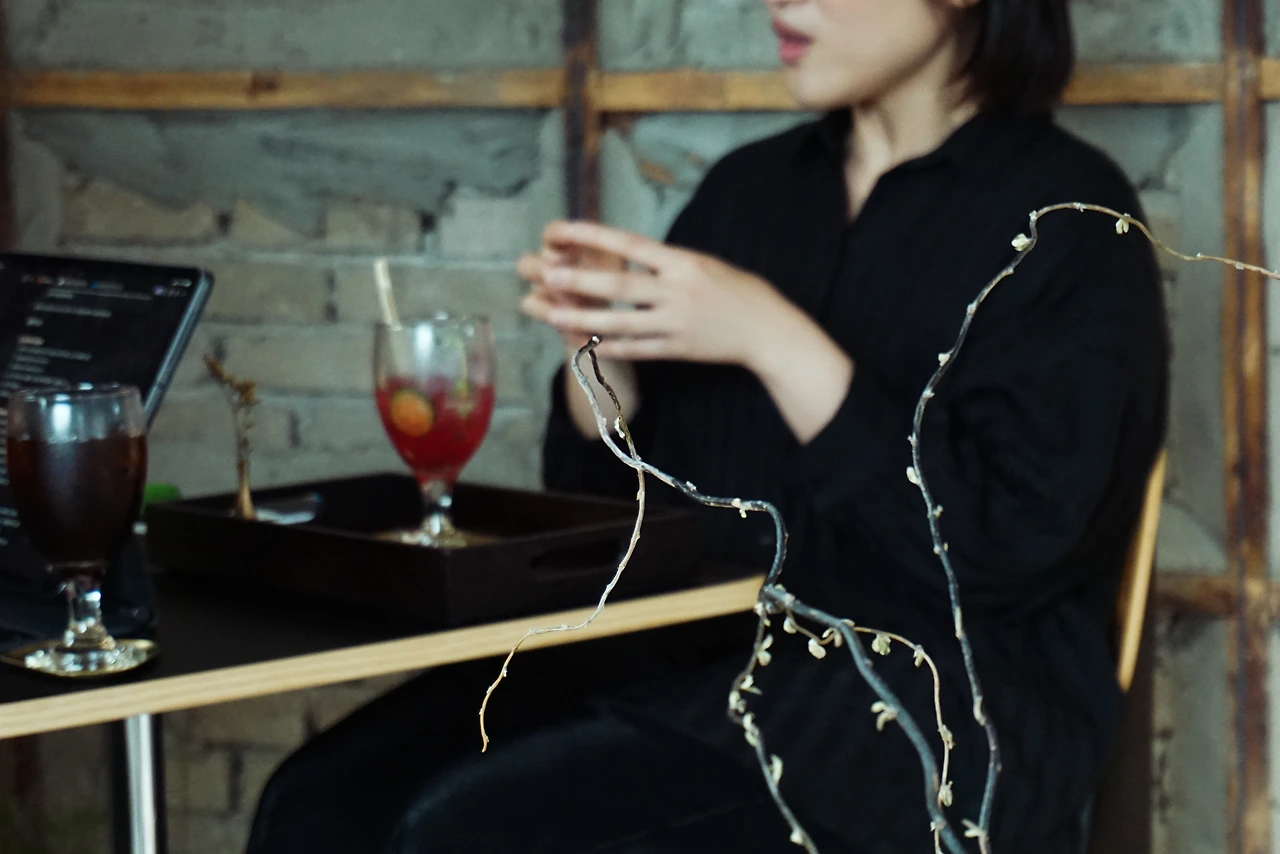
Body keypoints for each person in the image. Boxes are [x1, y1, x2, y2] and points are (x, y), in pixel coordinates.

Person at [246, 0, 1168, 851]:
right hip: (689, 657)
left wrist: (775, 339)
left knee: (454, 835)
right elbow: (629, 515)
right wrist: (601, 363)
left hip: (931, 708)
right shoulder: (752, 189)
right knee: (315, 805)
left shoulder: (1072, 219)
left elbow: (1008, 553)